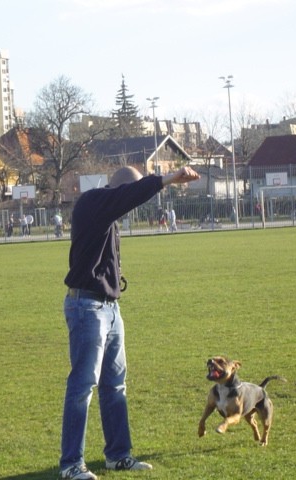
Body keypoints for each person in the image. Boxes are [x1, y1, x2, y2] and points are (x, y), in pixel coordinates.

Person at [59, 166, 200, 480]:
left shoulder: (107, 216)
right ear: (121, 190)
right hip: (87, 307)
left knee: (115, 386)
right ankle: (71, 465)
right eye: (132, 195)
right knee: (82, 387)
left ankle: (118, 456)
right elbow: (131, 195)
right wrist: (167, 179)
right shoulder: (95, 201)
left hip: (109, 308)